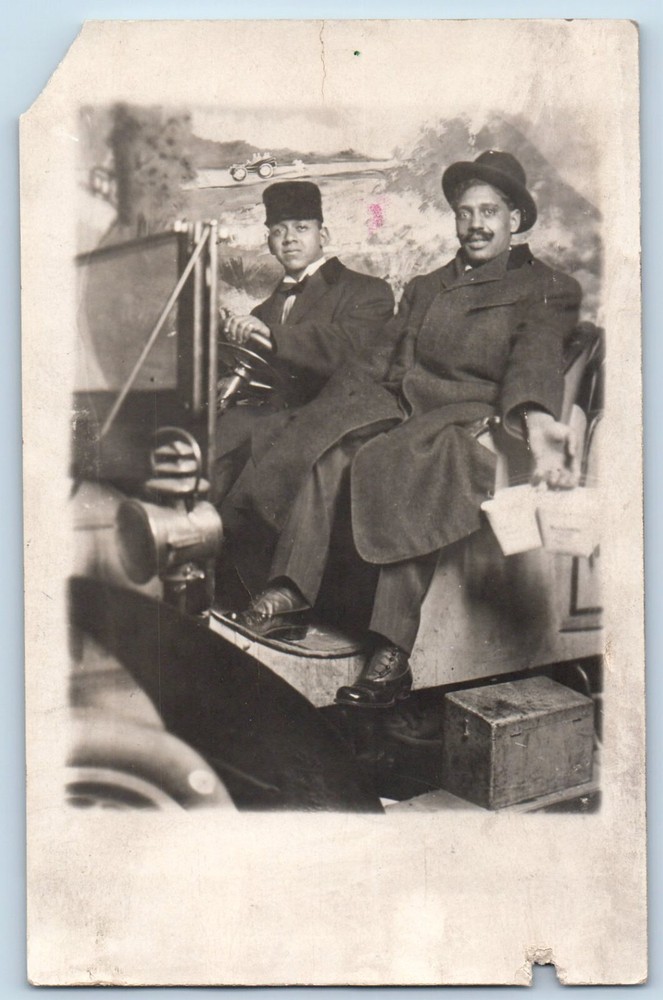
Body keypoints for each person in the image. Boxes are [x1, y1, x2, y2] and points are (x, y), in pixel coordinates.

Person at [227, 150, 583, 708]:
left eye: (489, 212)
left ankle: (392, 650)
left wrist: (536, 421)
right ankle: (289, 591)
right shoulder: (426, 285)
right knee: (330, 445)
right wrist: (326, 413)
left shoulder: (546, 286)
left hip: (472, 417)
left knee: (402, 468)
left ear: (515, 218)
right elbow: (376, 359)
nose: (476, 224)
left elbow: (534, 357)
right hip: (403, 406)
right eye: (465, 213)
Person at [213, 180, 395, 500]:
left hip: (329, 425)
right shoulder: (263, 310)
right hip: (267, 420)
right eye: (278, 231)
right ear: (269, 243)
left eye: (301, 228)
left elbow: (348, 346)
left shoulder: (368, 291)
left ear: (323, 236)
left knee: (240, 494)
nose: (289, 239)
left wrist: (271, 334)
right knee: (203, 458)